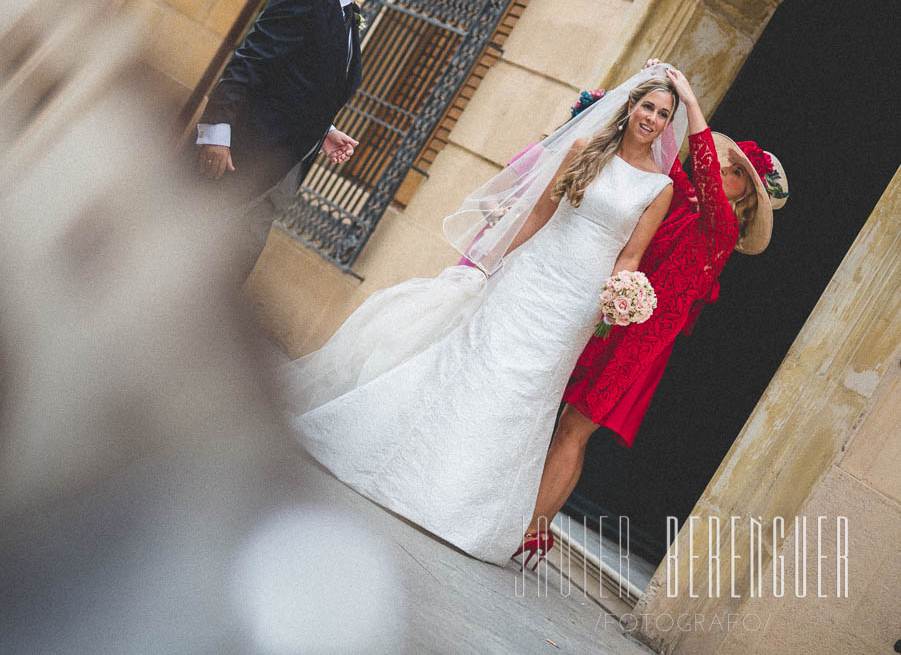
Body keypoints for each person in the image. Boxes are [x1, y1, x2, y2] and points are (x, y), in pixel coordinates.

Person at [282, 64, 690, 566]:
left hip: (576, 306)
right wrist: (490, 263)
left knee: (526, 394)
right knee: (479, 365)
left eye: (663, 114)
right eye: (647, 106)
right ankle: (404, 469)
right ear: (630, 107)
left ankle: (463, 505)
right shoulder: (584, 150)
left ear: (669, 125)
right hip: (533, 275)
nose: (652, 118)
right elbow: (539, 213)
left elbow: (630, 255)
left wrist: (618, 298)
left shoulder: (659, 188)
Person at [517, 64, 790, 567]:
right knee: (558, 423)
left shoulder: (722, 227)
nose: (724, 172)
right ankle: (533, 526)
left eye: (736, 174)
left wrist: (690, 102)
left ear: (746, 194)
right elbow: (661, 161)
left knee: (574, 431)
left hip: (639, 344)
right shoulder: (687, 201)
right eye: (729, 166)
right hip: (614, 322)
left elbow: (699, 168)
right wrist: (607, 108)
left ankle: (531, 530)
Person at [195, 0, 396, 278]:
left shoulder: (348, 14)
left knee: (222, 282)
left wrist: (325, 129)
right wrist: (215, 133)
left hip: (278, 177)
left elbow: (301, 80)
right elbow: (249, 63)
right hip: (240, 162)